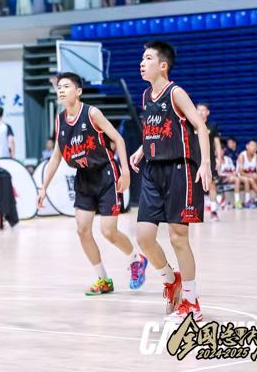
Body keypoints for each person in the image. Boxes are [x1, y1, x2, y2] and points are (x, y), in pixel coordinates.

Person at [38, 73, 145, 295]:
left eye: (66, 86)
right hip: (84, 178)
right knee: (82, 230)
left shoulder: (92, 113)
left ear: (78, 91)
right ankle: (103, 279)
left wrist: (125, 171)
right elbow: (56, 158)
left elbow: (118, 139)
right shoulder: (59, 120)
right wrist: (44, 187)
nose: (61, 90)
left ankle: (136, 259)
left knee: (108, 231)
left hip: (106, 174)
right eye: (59, 87)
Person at [129, 41, 212, 320]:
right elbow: (156, 129)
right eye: (142, 58)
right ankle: (170, 278)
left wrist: (205, 163)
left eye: (148, 58)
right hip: (152, 171)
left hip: (179, 169)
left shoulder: (175, 92)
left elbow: (200, 126)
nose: (142, 63)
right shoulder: (146, 96)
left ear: (162, 65)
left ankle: (191, 302)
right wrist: (142, 149)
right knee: (144, 237)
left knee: (178, 238)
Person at [195, 103, 223, 220]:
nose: (201, 112)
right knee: (195, 186)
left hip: (208, 160)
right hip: (194, 159)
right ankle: (196, 211)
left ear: (208, 112)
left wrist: (219, 160)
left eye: (203, 110)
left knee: (211, 184)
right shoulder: (192, 124)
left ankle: (213, 211)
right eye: (198, 110)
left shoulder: (212, 126)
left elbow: (217, 144)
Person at [235, 140, 257, 210]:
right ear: (247, 146)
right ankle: (242, 202)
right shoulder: (242, 156)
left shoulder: (256, 156)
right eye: (252, 146)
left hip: (250, 175)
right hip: (240, 175)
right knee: (248, 180)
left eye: (255, 146)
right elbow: (241, 172)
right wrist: (252, 176)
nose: (254, 148)